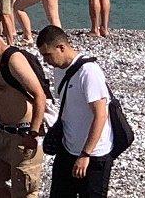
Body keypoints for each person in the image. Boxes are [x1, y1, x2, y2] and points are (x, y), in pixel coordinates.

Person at [0, 17, 46, 198]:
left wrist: (33, 133)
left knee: (25, 190)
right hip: (1, 131)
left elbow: (39, 95)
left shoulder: (14, 59)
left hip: (24, 133)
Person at [37, 25, 116, 198]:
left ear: (61, 47)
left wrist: (85, 154)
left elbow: (100, 115)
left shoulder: (88, 72)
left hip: (94, 155)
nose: (45, 61)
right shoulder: (59, 70)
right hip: (68, 149)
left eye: (47, 55)